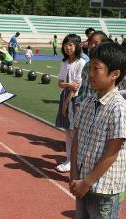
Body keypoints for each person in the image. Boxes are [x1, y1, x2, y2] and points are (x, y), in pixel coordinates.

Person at [70, 42, 126, 219]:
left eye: (96, 69)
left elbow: (112, 153)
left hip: (104, 190)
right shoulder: (88, 102)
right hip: (82, 183)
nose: (90, 74)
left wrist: (87, 182)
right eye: (90, 67)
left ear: (115, 74)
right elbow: (77, 139)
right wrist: (75, 175)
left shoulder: (119, 108)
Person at [55, 34, 86, 173]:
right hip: (65, 96)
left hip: (75, 99)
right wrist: (69, 84)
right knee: (67, 130)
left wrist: (66, 104)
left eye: (71, 45)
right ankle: (69, 159)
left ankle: (75, 160)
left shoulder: (81, 63)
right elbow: (60, 83)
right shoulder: (64, 62)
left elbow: (76, 87)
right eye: (66, 45)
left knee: (74, 131)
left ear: (77, 46)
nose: (68, 47)